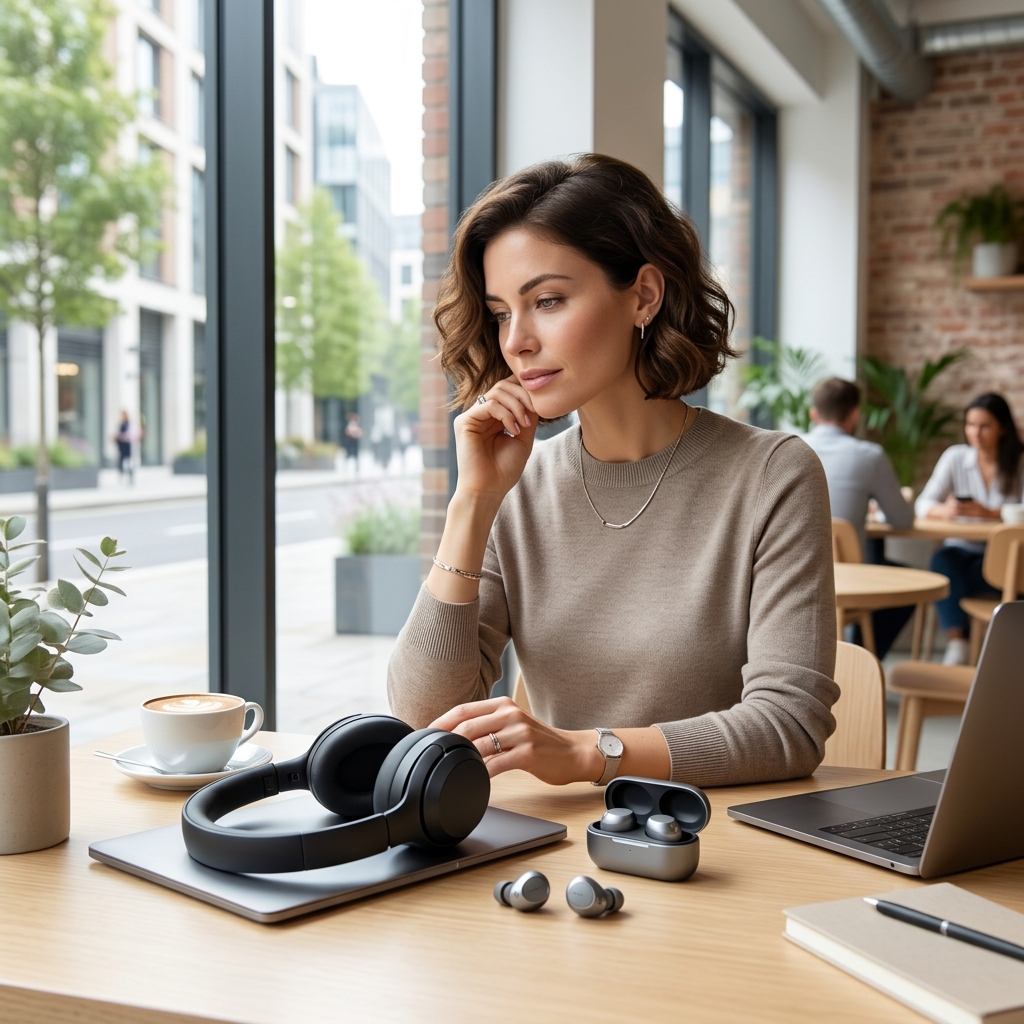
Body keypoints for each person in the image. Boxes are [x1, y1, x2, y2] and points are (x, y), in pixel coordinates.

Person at [387, 154, 838, 789]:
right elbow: (424, 716)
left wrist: (588, 753)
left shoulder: (772, 474)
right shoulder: (516, 487)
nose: (516, 341)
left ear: (643, 296)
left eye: (547, 300)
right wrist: (474, 502)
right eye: (501, 312)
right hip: (564, 834)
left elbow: (788, 727)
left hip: (716, 835)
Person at [805, 377, 915, 658]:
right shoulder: (869, 455)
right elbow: (902, 520)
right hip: (847, 578)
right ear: (855, 415)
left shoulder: (789, 448)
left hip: (796, 575)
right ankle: (863, 659)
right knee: (907, 584)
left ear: (813, 414)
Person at [916, 393, 1024, 665]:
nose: (976, 433)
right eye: (970, 425)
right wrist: (946, 510)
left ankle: (1001, 654)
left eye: (985, 426)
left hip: (1006, 560)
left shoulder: (1019, 461)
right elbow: (923, 503)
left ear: (1002, 428)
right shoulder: (955, 457)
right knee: (942, 562)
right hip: (962, 555)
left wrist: (990, 513)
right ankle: (958, 644)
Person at [114, 410, 133, 483]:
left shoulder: (128, 424)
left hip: (126, 444)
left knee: (128, 460)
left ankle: (130, 475)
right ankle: (121, 475)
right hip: (121, 445)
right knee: (121, 460)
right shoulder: (120, 424)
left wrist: (120, 436)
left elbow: (129, 434)